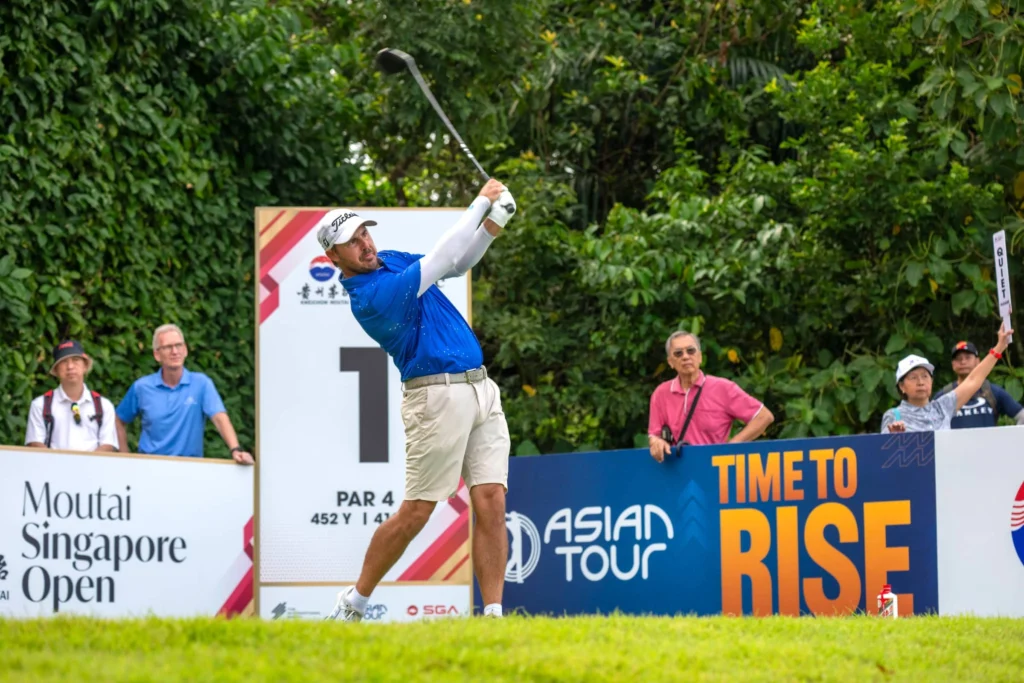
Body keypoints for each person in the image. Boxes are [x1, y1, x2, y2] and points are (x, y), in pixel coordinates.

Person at [318, 179, 517, 622]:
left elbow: (457, 265)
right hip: (435, 397)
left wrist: (492, 225)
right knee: (417, 511)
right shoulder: (370, 297)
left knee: (491, 498)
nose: (364, 244)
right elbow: (443, 256)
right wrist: (481, 201)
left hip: (481, 389)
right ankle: (355, 601)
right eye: (352, 242)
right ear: (334, 257)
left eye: (364, 233)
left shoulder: (388, 262)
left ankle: (495, 616)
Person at [115, 324, 254, 464]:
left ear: (185, 350)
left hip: (189, 469)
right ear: (157, 354)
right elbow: (118, 420)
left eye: (179, 345)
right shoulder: (142, 387)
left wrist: (236, 449)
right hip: (150, 467)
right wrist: (126, 458)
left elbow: (219, 418)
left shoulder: (201, 384)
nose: (175, 351)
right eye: (168, 347)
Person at [647, 330, 774, 462]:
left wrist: (732, 447)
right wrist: (656, 443)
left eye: (691, 351)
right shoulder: (661, 393)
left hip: (714, 468)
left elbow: (764, 417)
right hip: (678, 471)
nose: (685, 357)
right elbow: (654, 435)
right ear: (670, 362)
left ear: (700, 357)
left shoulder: (723, 388)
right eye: (678, 353)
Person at [881, 322, 1014, 433]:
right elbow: (884, 455)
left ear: (931, 381)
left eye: (925, 376)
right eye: (913, 378)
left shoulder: (942, 407)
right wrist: (894, 440)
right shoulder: (893, 416)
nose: (921, 382)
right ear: (902, 386)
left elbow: (973, 381)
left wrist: (1000, 347)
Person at [25, 340, 119, 452]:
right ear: (56, 370)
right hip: (52, 468)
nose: (70, 366)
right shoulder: (40, 405)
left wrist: (87, 466)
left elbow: (107, 445)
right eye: (63, 362)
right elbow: (35, 444)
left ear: (85, 366)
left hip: (93, 468)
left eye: (76, 360)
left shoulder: (104, 405)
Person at [932, 340, 1024, 429]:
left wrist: (1012, 439)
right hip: (953, 444)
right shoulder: (944, 395)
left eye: (968, 357)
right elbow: (930, 424)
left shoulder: (993, 392)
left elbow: (1021, 415)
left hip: (988, 444)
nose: (963, 362)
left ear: (978, 361)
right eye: (958, 359)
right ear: (953, 364)